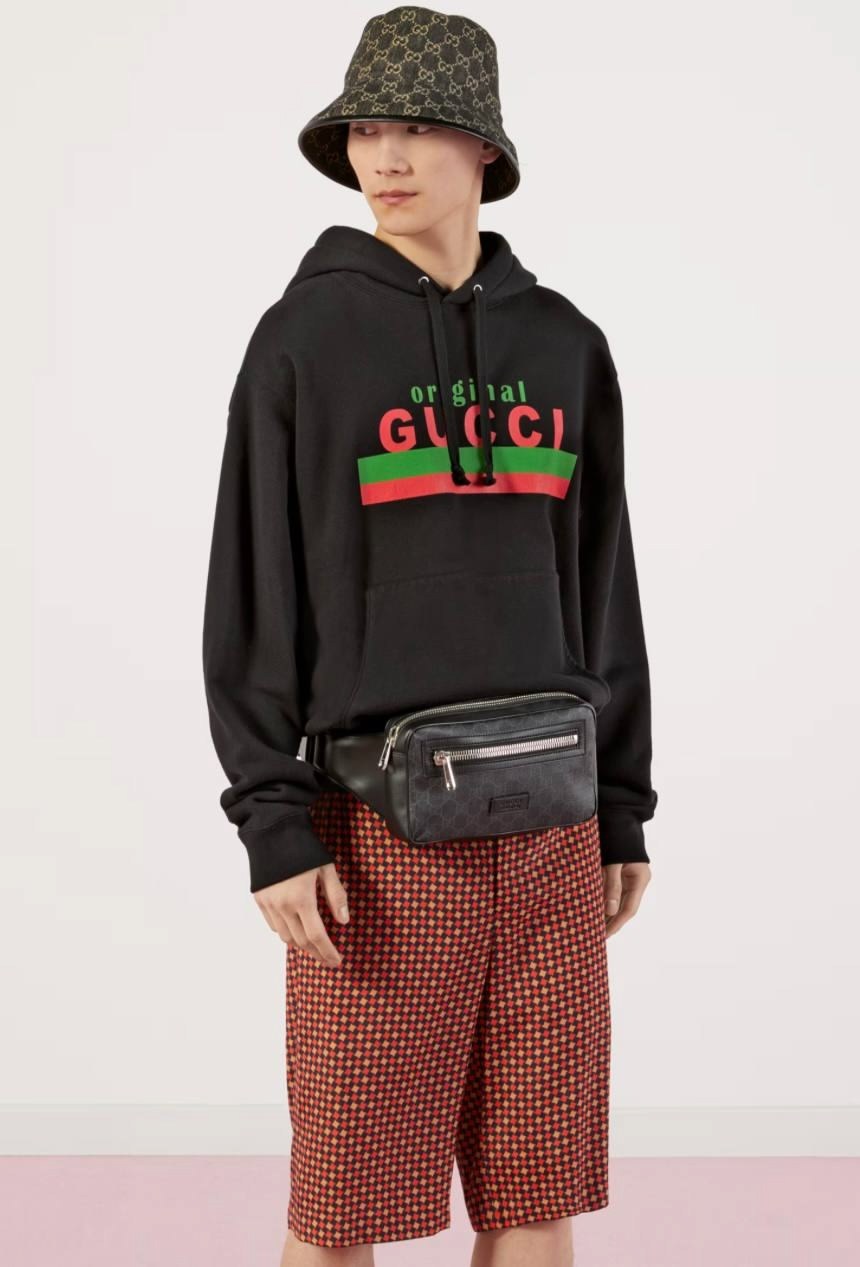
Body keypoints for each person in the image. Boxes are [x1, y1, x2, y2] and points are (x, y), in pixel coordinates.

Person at [202, 6, 658, 1265]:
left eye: (416, 128)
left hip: (552, 823)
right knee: (342, 1204)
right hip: (372, 835)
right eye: (365, 131)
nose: (384, 157)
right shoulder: (304, 341)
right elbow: (250, 594)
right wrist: (272, 822)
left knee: (536, 1192)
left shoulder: (562, 344)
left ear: (483, 149)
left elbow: (602, 587)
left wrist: (621, 803)